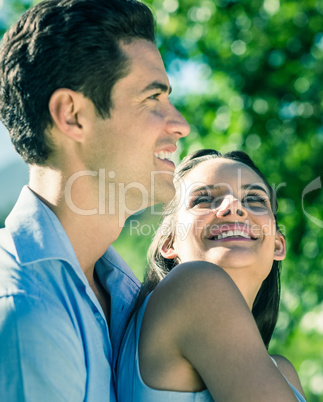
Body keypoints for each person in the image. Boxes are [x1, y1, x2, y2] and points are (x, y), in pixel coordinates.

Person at [0, 0, 189, 400]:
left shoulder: (120, 289)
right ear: (71, 115)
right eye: (152, 99)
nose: (181, 124)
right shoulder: (26, 311)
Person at [116, 149, 306, 401]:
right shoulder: (195, 286)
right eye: (203, 199)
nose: (235, 206)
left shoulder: (283, 371)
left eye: (255, 200)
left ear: (278, 245)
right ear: (169, 242)